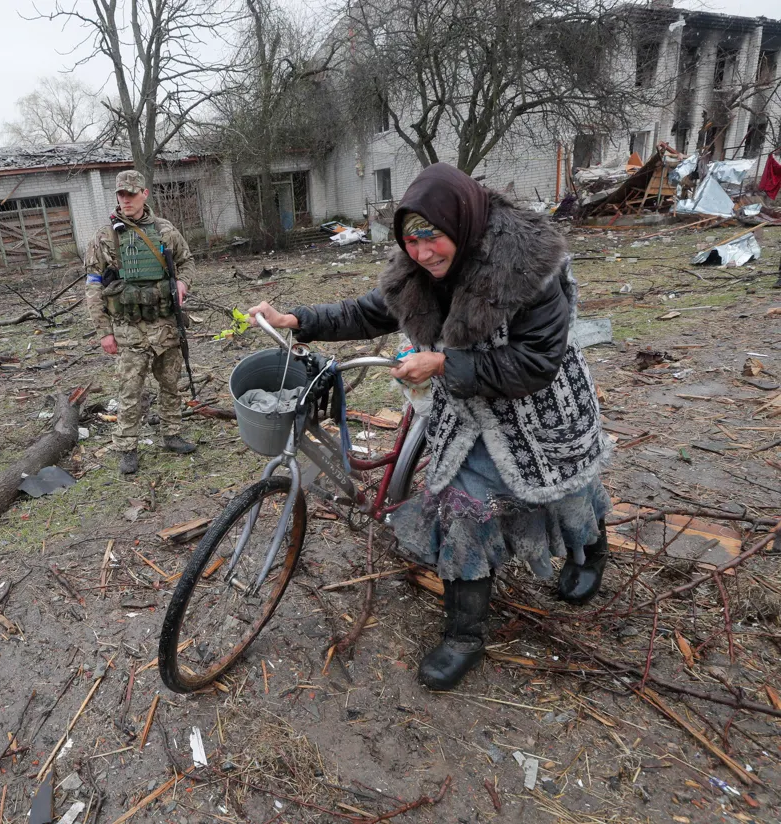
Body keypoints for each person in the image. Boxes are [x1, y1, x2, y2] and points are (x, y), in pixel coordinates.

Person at [248, 163, 612, 691]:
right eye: (411, 241)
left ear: (460, 224)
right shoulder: (418, 271)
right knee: (465, 507)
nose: (422, 253)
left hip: (541, 404)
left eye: (432, 238)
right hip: (468, 410)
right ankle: (465, 634)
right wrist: (298, 320)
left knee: (568, 487)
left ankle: (591, 552)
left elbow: (537, 363)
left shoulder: (531, 269)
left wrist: (444, 365)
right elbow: (371, 311)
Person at [85, 169, 198, 476]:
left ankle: (171, 434)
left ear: (144, 194)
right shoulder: (105, 236)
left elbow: (187, 262)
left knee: (170, 383)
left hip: (164, 324)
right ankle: (127, 447)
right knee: (129, 389)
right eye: (121, 195)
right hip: (127, 327)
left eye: (131, 195)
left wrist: (183, 284)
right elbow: (94, 286)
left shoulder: (165, 230)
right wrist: (103, 332)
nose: (126, 201)